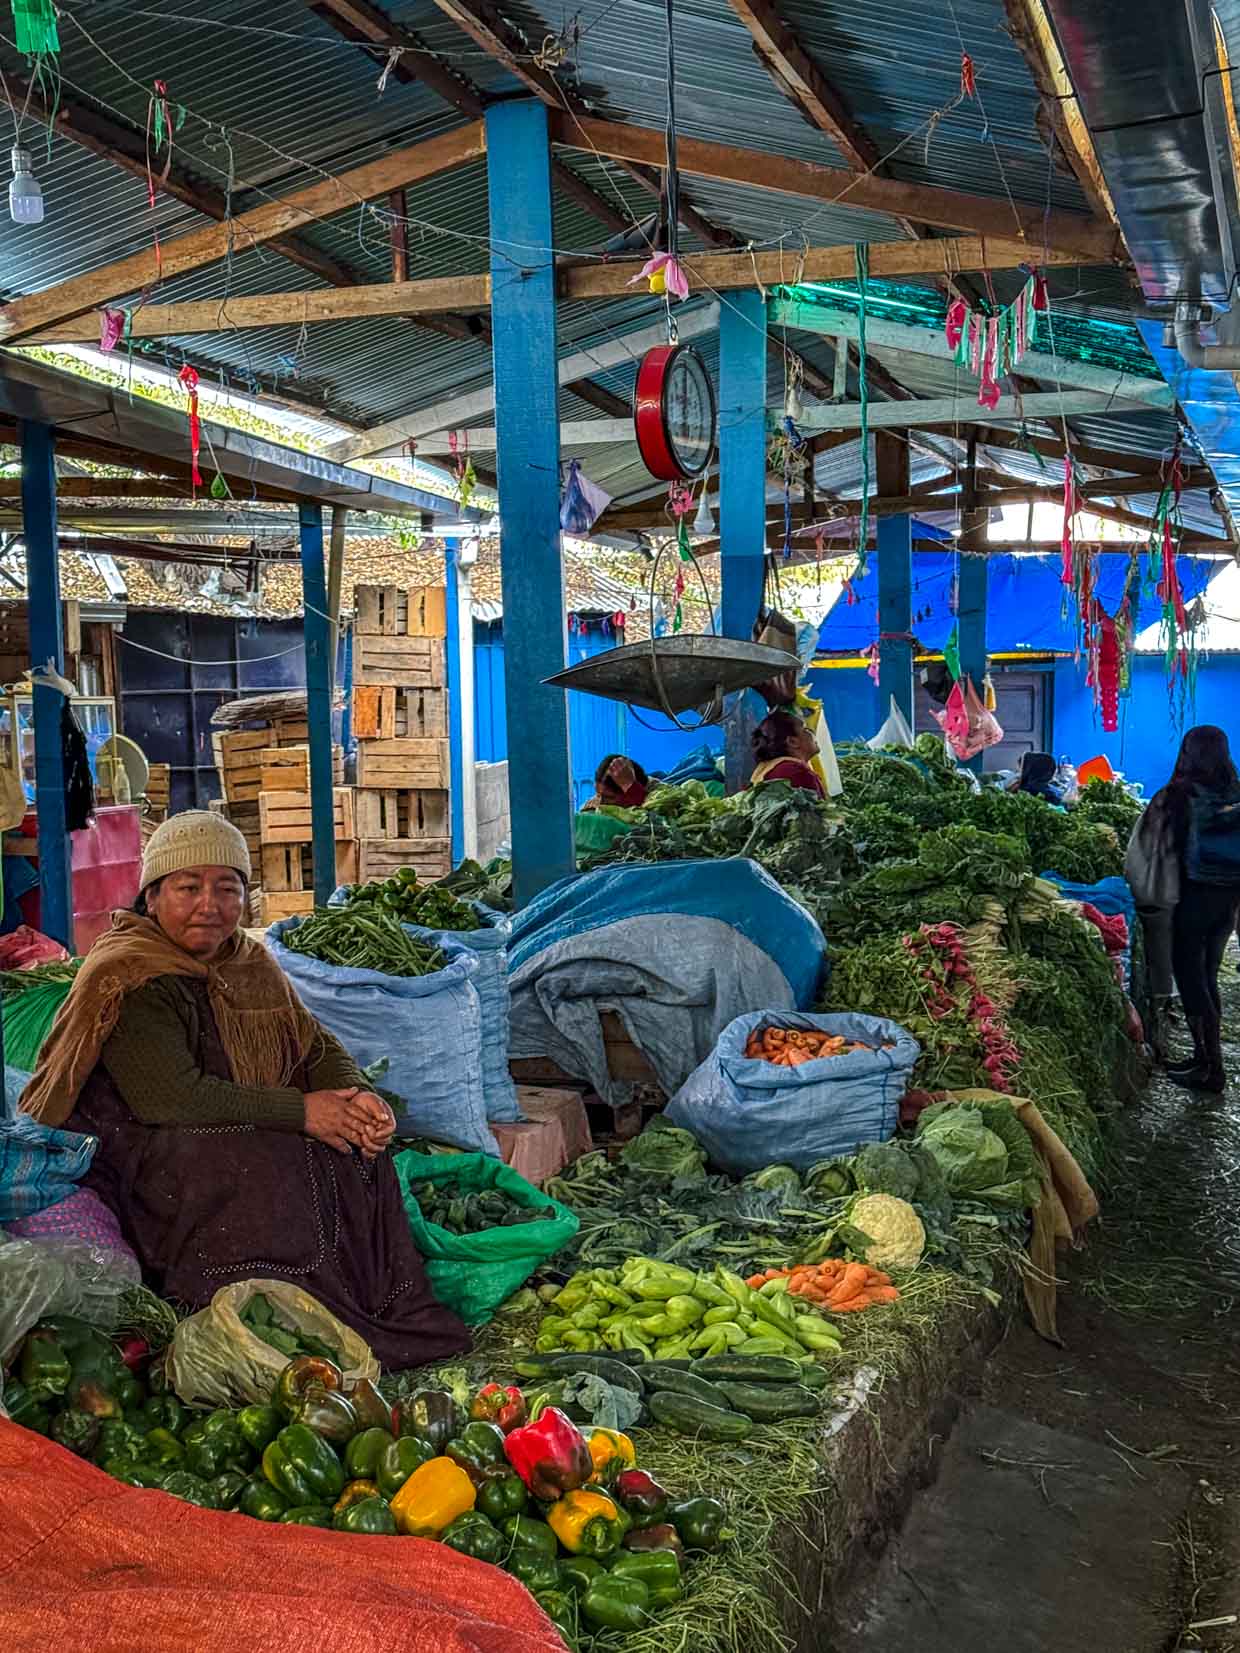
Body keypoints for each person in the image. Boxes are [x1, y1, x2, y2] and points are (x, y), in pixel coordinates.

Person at [19, 810, 469, 1369]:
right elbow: (171, 1099)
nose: (209, 904)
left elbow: (311, 1043)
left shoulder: (248, 960)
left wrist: (355, 1096)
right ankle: (258, 1317)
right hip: (138, 1145)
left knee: (352, 1149)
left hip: (222, 1116)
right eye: (188, 887)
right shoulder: (130, 972)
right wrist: (302, 1112)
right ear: (152, 897)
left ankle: (357, 1305)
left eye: (226, 888)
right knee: (261, 1164)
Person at [1125, 725, 1240, 1093]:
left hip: (1190, 901)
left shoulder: (1176, 796)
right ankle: (1205, 1058)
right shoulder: (1235, 793)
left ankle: (1211, 1068)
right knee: (1207, 977)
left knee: (1191, 980)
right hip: (1227, 902)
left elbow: (1146, 851)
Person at [749, 710, 826, 798]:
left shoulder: (771, 768)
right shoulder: (796, 772)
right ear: (792, 742)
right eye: (805, 729)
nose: (812, 732)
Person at [581, 753, 649, 812]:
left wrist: (630, 786)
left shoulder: (656, 799)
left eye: (610, 798)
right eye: (598, 795)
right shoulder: (591, 806)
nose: (600, 803)